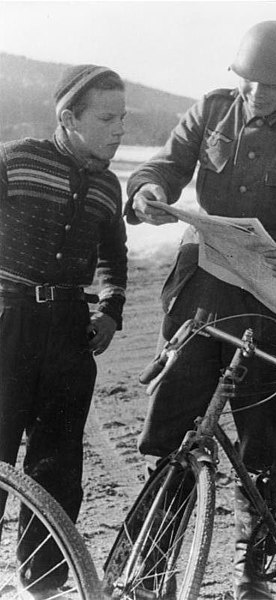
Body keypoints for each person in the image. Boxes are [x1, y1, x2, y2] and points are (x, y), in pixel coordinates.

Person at [125, 21, 276, 600]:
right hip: (201, 298)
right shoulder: (212, 110)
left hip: (271, 305)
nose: (254, 93)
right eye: (247, 81)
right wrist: (145, 192)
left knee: (260, 437)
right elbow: (163, 165)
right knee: (172, 424)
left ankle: (253, 568)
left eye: (268, 85)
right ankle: (153, 567)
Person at [0, 64, 128, 599]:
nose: (118, 129)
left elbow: (112, 256)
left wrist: (111, 309)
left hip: (70, 332)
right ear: (69, 117)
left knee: (57, 463)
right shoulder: (16, 160)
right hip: (8, 323)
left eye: (123, 118)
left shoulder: (107, 185)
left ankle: (44, 585)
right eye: (106, 118)